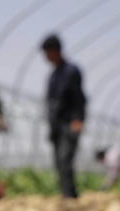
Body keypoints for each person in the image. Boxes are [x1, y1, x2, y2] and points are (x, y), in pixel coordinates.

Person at [41, 34, 86, 198]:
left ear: (55, 51)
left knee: (65, 159)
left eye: (47, 53)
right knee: (59, 162)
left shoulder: (71, 71)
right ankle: (67, 194)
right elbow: (50, 102)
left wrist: (78, 119)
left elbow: (79, 98)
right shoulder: (53, 76)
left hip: (69, 123)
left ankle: (69, 197)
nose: (46, 57)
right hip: (56, 125)